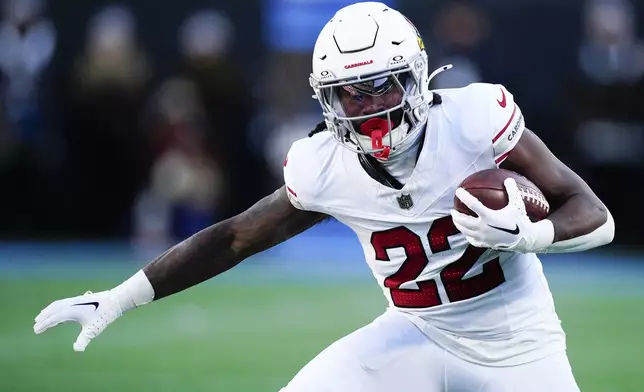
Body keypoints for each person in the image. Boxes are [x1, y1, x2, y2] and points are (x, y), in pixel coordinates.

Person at [33, 2, 614, 391]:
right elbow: (234, 237)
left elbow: (595, 215)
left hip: (518, 348)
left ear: (414, 77)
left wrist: (533, 235)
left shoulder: (474, 119)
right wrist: (120, 297)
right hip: (416, 332)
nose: (366, 105)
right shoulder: (325, 165)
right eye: (347, 93)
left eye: (378, 85)